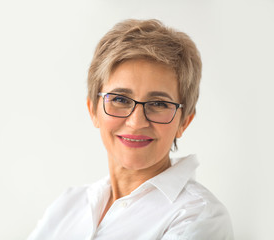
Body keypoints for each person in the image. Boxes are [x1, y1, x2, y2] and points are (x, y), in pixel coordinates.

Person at [27, 19, 234, 240]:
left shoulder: (198, 216)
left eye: (158, 104)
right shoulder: (68, 206)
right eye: (119, 99)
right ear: (93, 110)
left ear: (184, 122)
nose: (136, 122)